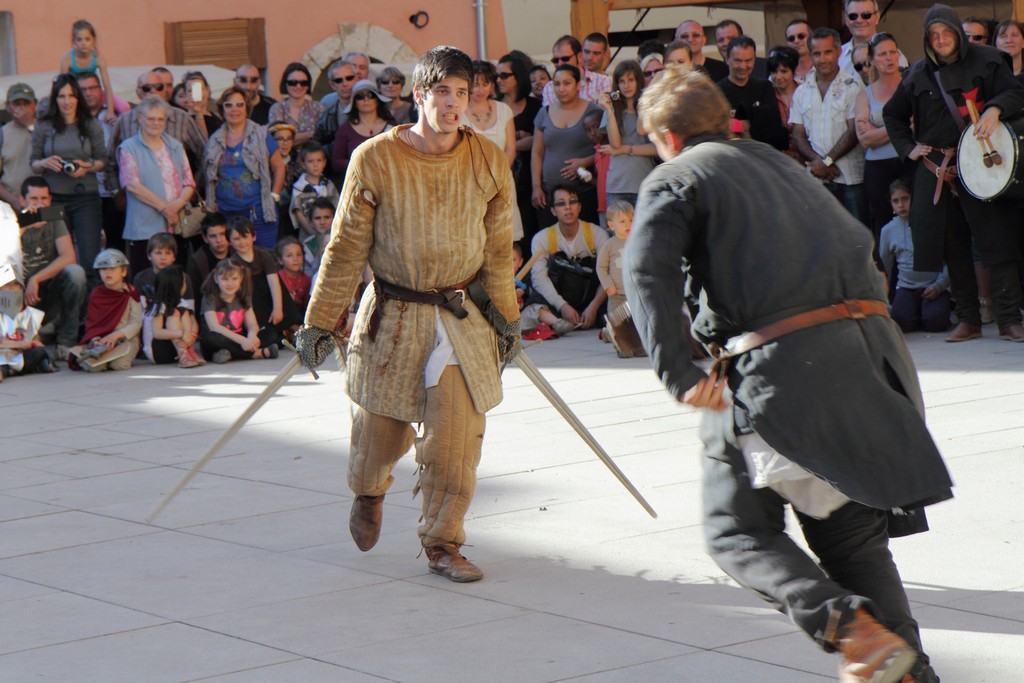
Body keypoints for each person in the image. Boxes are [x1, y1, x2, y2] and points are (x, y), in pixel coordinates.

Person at [624, 67, 949, 683]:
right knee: (851, 541)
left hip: (784, 372)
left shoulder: (677, 175)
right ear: (724, 122)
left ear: (667, 137)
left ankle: (850, 628)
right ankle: (908, 671)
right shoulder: (785, 167)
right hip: (873, 366)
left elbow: (645, 271)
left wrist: (679, 372)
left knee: (736, 533)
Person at [295, 45, 519, 583]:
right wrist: (320, 322)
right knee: (379, 437)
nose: (454, 103)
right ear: (419, 95)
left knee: (456, 440)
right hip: (394, 316)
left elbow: (497, 251)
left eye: (462, 93)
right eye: (443, 92)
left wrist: (507, 318)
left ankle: (443, 542)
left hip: (461, 318)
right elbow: (345, 248)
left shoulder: (488, 160)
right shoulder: (373, 158)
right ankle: (368, 492)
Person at [883, 4, 1024, 343]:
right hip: (938, 170)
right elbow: (892, 115)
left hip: (982, 166)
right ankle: (968, 320)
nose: (941, 39)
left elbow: (1017, 92)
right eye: (934, 35)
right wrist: (908, 148)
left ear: (957, 34)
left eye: (947, 32)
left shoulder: (988, 59)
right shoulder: (917, 74)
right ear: (927, 39)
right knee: (953, 246)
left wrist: (995, 109)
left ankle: (1008, 319)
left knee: (997, 242)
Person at [30, 74, 107, 288]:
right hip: (53, 200)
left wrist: (87, 166)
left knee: (90, 258)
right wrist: (46, 162)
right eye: (61, 96)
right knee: (55, 258)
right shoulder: (44, 126)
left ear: (78, 98)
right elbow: (33, 163)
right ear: (55, 98)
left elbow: (103, 160)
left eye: (71, 96)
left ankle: (90, 305)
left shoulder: (91, 124)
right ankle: (62, 304)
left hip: (86, 198)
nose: (67, 101)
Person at [790, 28, 868, 226]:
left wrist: (827, 161)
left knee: (857, 237)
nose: (822, 59)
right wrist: (819, 163)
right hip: (816, 179)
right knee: (821, 238)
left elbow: (854, 131)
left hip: (850, 179)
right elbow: (797, 135)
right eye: (817, 53)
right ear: (810, 55)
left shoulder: (853, 85)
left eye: (827, 52)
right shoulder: (801, 92)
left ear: (838, 52)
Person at [118, 96, 196, 274]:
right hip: (145, 227)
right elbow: (132, 185)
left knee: (176, 276)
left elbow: (189, 182)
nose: (156, 123)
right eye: (151, 118)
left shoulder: (175, 146)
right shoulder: (129, 148)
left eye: (160, 119)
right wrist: (166, 209)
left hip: (176, 225)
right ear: (140, 118)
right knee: (146, 277)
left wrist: (177, 205)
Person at [17, 177, 87, 361]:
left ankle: (66, 343)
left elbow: (69, 256)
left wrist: (36, 279)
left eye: (44, 199)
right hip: (20, 292)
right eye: (34, 199)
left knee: (75, 273)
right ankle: (16, 340)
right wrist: (23, 228)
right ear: (22, 200)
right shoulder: (12, 220)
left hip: (47, 288)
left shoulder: (53, 217)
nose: (40, 204)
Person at [203, 87, 281, 248]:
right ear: (222, 109)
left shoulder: (261, 135)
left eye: (239, 104)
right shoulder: (214, 140)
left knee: (265, 255)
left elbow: (279, 167)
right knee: (234, 261)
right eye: (229, 105)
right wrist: (212, 200)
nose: (234, 110)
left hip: (258, 212)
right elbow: (209, 174)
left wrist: (274, 196)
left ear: (247, 108)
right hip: (226, 213)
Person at [106, 71, 206, 195]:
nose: (153, 91)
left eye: (159, 86)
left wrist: (192, 190)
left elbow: (205, 155)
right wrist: (117, 192)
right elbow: (110, 160)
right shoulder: (124, 120)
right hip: (136, 196)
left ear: (165, 90)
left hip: (177, 198)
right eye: (146, 88)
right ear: (138, 92)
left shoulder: (182, 118)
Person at [855, 33, 913, 243]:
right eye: (882, 54)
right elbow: (865, 140)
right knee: (884, 224)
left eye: (892, 52)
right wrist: (901, 125)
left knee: (916, 220)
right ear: (871, 60)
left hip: (908, 161)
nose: (889, 58)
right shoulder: (865, 94)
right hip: (877, 168)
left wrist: (877, 130)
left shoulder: (910, 85)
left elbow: (918, 125)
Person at [528, 185, 608, 330]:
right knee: (533, 305)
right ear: (553, 210)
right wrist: (562, 306)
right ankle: (559, 323)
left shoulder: (597, 233)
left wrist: (594, 306)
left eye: (572, 202)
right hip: (559, 300)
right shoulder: (541, 238)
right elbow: (538, 278)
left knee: (617, 302)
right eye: (561, 203)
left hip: (591, 299)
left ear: (579, 207)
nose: (567, 207)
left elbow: (609, 274)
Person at [531, 65, 602, 229]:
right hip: (550, 195)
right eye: (557, 84)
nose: (561, 89)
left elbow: (606, 149)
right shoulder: (544, 112)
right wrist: (536, 187)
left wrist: (584, 162)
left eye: (567, 83)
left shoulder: (594, 111)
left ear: (578, 85)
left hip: (585, 192)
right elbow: (537, 152)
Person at [878, 180, 952, 333]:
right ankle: (915, 311)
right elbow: (885, 268)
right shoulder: (888, 231)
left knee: (936, 322)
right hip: (906, 287)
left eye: (905, 199)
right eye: (895, 201)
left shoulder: (931, 222)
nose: (900, 205)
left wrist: (939, 286)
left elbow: (950, 260)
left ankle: (930, 310)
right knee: (900, 322)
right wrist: (883, 299)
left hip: (934, 286)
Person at [466, 60, 522, 242]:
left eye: (486, 84)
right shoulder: (458, 112)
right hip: (471, 182)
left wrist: (498, 174)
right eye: (476, 84)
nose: (480, 90)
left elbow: (511, 148)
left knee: (502, 237)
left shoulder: (504, 110)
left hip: (501, 179)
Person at [227, 215, 300, 345]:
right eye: (237, 238)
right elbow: (244, 296)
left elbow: (273, 282)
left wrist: (277, 308)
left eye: (245, 237)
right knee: (269, 335)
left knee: (277, 281)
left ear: (254, 237)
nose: (242, 242)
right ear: (230, 241)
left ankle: (295, 330)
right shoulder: (233, 263)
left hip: (270, 296)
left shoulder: (263, 255)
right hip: (252, 302)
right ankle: (280, 336)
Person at [596, 60, 658, 208]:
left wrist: (624, 149)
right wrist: (609, 110)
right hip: (617, 185)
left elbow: (656, 148)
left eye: (631, 80)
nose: (626, 85)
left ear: (638, 81)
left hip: (644, 183)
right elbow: (615, 143)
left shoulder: (649, 107)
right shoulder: (613, 108)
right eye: (621, 81)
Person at [70, 248, 141, 372]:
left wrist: (115, 336)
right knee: (93, 367)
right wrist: (96, 340)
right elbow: (92, 323)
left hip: (125, 340)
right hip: (101, 341)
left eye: (112, 269)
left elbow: (136, 323)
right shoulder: (96, 294)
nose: (107, 272)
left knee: (118, 365)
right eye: (103, 269)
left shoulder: (131, 293)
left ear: (124, 271)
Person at [498, 53, 542, 243]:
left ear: (518, 76)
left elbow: (539, 140)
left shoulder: (535, 106)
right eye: (497, 76)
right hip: (504, 178)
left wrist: (509, 145)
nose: (498, 80)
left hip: (528, 180)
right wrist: (521, 137)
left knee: (528, 231)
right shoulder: (494, 107)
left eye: (504, 75)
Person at [200, 258, 277, 363]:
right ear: (216, 279)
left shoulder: (243, 296)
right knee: (211, 338)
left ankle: (227, 354)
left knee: (271, 334)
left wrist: (252, 335)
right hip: (220, 340)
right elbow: (214, 327)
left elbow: (252, 324)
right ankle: (257, 353)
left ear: (241, 278)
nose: (230, 283)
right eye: (225, 279)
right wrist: (243, 341)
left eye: (234, 279)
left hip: (240, 339)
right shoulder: (209, 297)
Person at [718, 37, 789, 150]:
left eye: (748, 61)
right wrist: (755, 119)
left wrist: (738, 124)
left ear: (754, 60)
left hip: (763, 154)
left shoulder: (765, 87)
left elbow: (774, 128)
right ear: (727, 59)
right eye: (738, 61)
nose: (743, 66)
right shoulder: (716, 92)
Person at [331, 79, 395, 182]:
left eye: (370, 95)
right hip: (357, 184)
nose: (366, 99)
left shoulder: (393, 127)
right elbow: (336, 163)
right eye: (360, 96)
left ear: (377, 100)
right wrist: (362, 164)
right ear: (355, 103)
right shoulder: (345, 129)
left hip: (388, 182)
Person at [142, 264, 204, 367]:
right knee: (174, 313)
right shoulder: (158, 305)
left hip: (173, 348)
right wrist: (182, 334)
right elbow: (157, 333)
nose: (186, 285)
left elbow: (193, 322)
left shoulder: (182, 302)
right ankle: (183, 353)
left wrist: (191, 337)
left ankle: (188, 349)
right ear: (177, 286)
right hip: (158, 351)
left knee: (183, 312)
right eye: (184, 282)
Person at [596, 199, 637, 355]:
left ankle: (611, 333)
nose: (628, 224)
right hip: (617, 294)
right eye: (622, 221)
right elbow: (601, 267)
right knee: (619, 323)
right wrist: (607, 285)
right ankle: (621, 345)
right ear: (612, 225)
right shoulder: (609, 245)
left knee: (635, 324)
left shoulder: (638, 242)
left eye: (631, 220)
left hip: (635, 294)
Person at [59, 20, 117, 124]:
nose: (83, 43)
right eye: (79, 39)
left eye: (87, 39)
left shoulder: (98, 58)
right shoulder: (67, 59)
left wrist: (110, 112)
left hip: (93, 91)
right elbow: (61, 85)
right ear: (74, 41)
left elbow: (107, 86)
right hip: (75, 92)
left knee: (124, 107)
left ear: (93, 40)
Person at [839, 1, 910, 75]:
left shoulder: (894, 56)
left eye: (866, 15)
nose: (859, 20)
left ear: (877, 17)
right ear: (846, 20)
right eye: (853, 16)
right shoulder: (838, 56)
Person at [541, 35, 611, 106]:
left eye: (565, 59)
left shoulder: (602, 81)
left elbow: (607, 111)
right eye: (555, 60)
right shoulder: (550, 88)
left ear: (579, 57)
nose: (560, 64)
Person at [0, 84, 38, 210]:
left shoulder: (46, 128)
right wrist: (14, 201)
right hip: (12, 203)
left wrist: (30, 124)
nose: (22, 108)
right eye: (17, 104)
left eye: (26, 103)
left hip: (43, 201)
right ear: (8, 106)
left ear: (35, 104)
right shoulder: (2, 134)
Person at [289, 142, 338, 239]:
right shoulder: (299, 187)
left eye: (319, 160)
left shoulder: (329, 185)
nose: (315, 165)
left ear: (324, 163)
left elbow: (337, 207)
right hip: (308, 235)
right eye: (310, 161)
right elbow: (298, 213)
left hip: (330, 234)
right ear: (303, 164)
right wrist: (313, 234)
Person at [268, 63, 323, 146]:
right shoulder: (277, 109)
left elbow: (324, 136)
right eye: (293, 82)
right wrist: (310, 135)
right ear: (285, 84)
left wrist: (291, 139)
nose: (298, 86)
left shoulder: (318, 108)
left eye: (303, 83)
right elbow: (277, 140)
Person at [314, 60, 357, 163]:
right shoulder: (326, 116)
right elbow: (316, 145)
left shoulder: (370, 110)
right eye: (338, 80)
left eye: (349, 78)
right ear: (332, 85)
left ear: (356, 79)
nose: (345, 84)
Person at [767, 47, 802, 163]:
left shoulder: (806, 92)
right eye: (774, 71)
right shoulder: (766, 95)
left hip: (805, 157)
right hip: (777, 159)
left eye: (784, 71)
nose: (778, 77)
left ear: (793, 71)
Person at [186, 212, 230, 295]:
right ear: (205, 238)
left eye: (222, 234)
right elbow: (194, 293)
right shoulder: (197, 260)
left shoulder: (236, 253)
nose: (219, 240)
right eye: (213, 236)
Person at [181, 71, 221, 140]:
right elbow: (202, 143)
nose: (196, 94)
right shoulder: (182, 121)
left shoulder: (218, 117)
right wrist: (198, 113)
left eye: (199, 89)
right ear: (185, 95)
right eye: (190, 91)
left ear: (207, 91)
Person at [301, 197, 334, 280]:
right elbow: (308, 275)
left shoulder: (344, 240)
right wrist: (320, 253)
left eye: (327, 217)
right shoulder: (307, 245)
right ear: (311, 222)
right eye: (317, 218)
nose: (322, 222)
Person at [276, 235, 310, 315]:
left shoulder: (306, 280)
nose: (295, 259)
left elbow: (307, 306)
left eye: (299, 254)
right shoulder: (277, 279)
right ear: (280, 260)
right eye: (289, 255)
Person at [784, 19, 815, 83]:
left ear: (812, 38)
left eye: (801, 36)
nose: (796, 41)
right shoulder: (780, 74)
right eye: (791, 38)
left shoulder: (824, 68)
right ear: (787, 43)